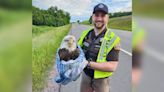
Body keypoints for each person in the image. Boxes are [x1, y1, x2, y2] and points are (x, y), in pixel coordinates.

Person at [78, 3, 121, 92]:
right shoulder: (86, 34)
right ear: (92, 17)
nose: (99, 19)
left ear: (107, 18)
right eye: (96, 15)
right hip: (86, 75)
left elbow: (112, 66)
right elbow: (78, 51)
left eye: (103, 15)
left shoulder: (113, 39)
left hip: (102, 80)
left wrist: (87, 64)